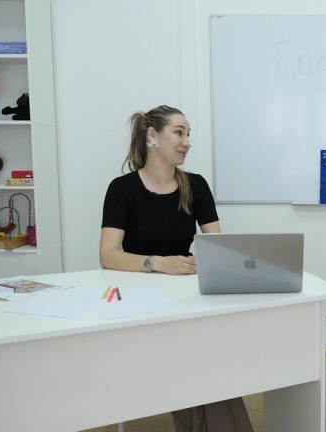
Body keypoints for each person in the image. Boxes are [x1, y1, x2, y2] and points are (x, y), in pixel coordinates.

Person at [99, 105, 253, 432]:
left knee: (208, 355)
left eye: (188, 135)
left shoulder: (195, 185)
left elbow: (217, 246)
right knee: (195, 358)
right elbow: (108, 255)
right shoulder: (122, 188)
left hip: (185, 292)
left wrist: (210, 263)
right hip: (140, 296)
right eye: (179, 133)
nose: (187, 142)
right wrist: (159, 263)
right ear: (152, 136)